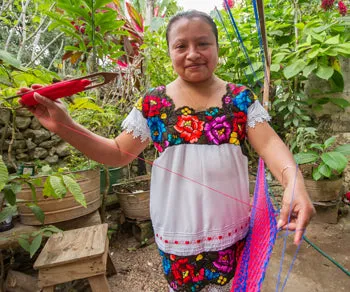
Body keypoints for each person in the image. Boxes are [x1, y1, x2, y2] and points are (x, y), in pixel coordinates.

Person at [20, 10, 315, 292]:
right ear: (170, 51)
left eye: (203, 43)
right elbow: (118, 153)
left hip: (231, 233)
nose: (193, 53)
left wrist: (294, 183)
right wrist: (64, 124)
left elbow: (270, 144)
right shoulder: (153, 104)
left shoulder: (240, 99)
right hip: (178, 237)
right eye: (181, 45)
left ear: (216, 47)